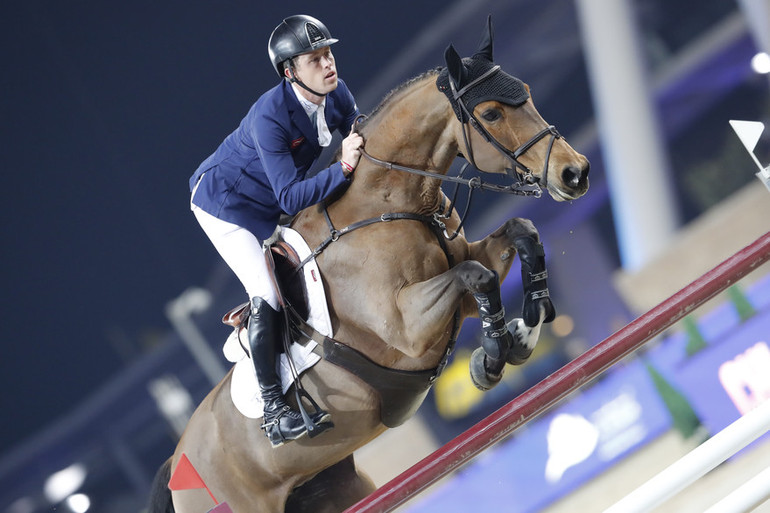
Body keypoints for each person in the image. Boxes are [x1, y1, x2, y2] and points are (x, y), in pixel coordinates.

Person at [189, 14, 363, 447]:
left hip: (267, 200)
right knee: (265, 293)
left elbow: (361, 135)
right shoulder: (271, 115)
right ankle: (274, 411)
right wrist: (343, 166)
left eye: (328, 54)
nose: (328, 65)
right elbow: (289, 197)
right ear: (290, 72)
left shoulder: (336, 92)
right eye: (314, 59)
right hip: (226, 206)